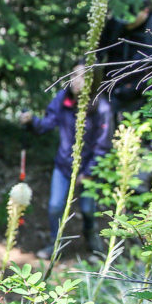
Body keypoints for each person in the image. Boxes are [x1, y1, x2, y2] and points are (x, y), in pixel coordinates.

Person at [20, 61, 114, 259]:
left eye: (82, 77)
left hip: (89, 168)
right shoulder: (62, 99)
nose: (75, 81)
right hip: (63, 165)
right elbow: (45, 125)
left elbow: (103, 146)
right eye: (73, 75)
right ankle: (55, 244)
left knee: (88, 208)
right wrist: (31, 121)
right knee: (55, 206)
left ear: (92, 81)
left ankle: (91, 237)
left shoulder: (102, 108)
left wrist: (88, 173)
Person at [100, 0, 152, 122]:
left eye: (133, 16)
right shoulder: (115, 25)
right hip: (113, 92)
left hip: (144, 94)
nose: (128, 21)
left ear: (145, 11)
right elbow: (99, 51)